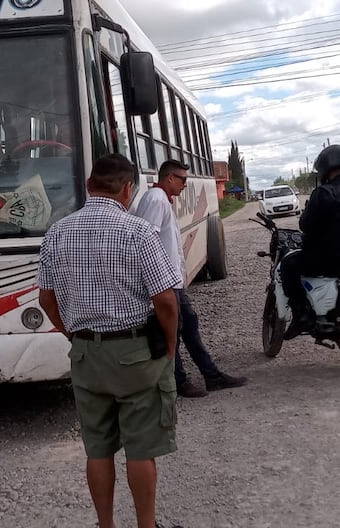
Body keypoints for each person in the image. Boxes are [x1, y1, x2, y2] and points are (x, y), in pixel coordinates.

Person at [37, 154, 181, 528]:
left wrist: (74, 335)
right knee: (141, 448)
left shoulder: (57, 232)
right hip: (135, 353)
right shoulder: (138, 232)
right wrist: (169, 347)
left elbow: (46, 300)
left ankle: (105, 525)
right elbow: (165, 300)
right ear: (128, 188)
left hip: (86, 355)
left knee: (97, 449)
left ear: (89, 185)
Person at [135, 160, 247, 398]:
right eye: (183, 179)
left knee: (189, 327)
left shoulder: (162, 198)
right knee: (173, 332)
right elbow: (147, 241)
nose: (186, 184)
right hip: (165, 283)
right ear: (170, 178)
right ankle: (178, 382)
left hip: (172, 280)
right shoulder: (155, 199)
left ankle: (211, 376)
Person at [281, 145, 340, 335]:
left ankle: (302, 317)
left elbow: (306, 225)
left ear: (325, 168)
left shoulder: (324, 193)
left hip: (331, 258)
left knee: (289, 265)